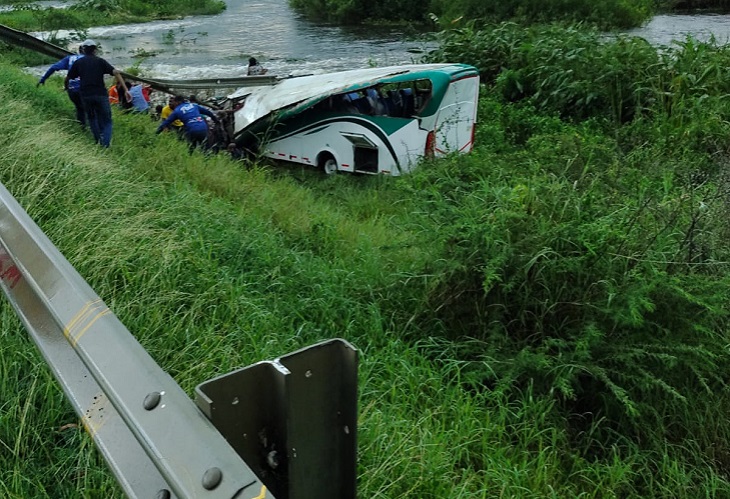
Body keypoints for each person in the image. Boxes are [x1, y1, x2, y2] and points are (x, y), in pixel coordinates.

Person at [66, 39, 131, 148]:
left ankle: (98, 141)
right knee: (107, 121)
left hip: (86, 95)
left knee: (92, 118)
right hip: (100, 94)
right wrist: (126, 90)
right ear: (95, 50)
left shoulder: (79, 63)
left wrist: (66, 87)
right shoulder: (100, 61)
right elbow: (116, 72)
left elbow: (68, 78)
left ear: (83, 50)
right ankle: (105, 145)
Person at [37, 46, 86, 128]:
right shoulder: (90, 59)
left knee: (79, 108)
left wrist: (43, 79)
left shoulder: (70, 58)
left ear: (79, 50)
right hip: (86, 88)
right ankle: (94, 130)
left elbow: (53, 67)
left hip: (72, 88)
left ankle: (82, 127)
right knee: (90, 107)